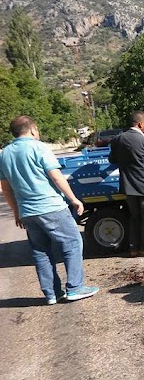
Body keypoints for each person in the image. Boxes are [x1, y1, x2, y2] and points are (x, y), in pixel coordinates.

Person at [0, 115, 99, 304]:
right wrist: (73, 199)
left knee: (41, 251)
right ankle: (75, 288)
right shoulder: (39, 148)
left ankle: (52, 293)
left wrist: (17, 212)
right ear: (32, 129)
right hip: (51, 206)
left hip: (27, 212)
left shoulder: (4, 154)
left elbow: (5, 188)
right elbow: (56, 177)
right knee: (72, 242)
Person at [108, 111, 144, 257]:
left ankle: (134, 248)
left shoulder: (118, 139)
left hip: (128, 185)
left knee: (134, 217)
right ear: (140, 124)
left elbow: (112, 159)